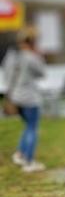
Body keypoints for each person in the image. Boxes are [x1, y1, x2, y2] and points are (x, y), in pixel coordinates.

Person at [2, 27, 47, 172]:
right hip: (29, 99)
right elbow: (42, 73)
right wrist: (39, 55)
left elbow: (6, 75)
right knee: (32, 128)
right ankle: (29, 162)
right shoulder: (31, 57)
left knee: (28, 126)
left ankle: (20, 154)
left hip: (15, 97)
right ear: (33, 42)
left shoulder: (11, 55)